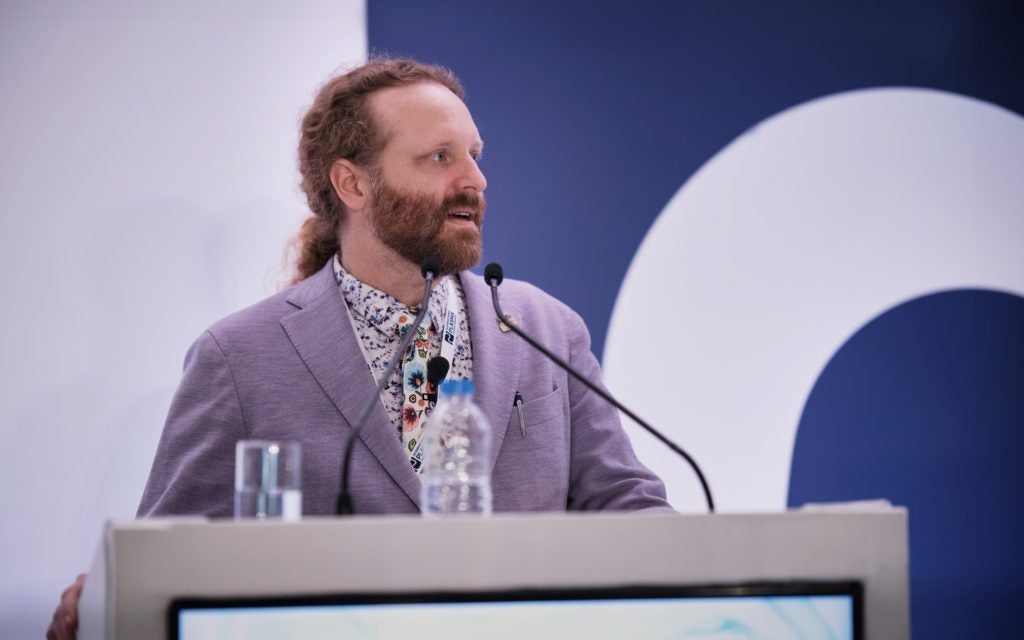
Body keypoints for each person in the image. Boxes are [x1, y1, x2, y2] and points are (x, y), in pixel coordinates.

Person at [47, 57, 670, 639]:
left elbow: (628, 506)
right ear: (352, 183)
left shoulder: (546, 329)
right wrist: (110, 592)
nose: (475, 180)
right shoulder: (239, 358)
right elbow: (169, 554)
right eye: (438, 157)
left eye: (475, 156)